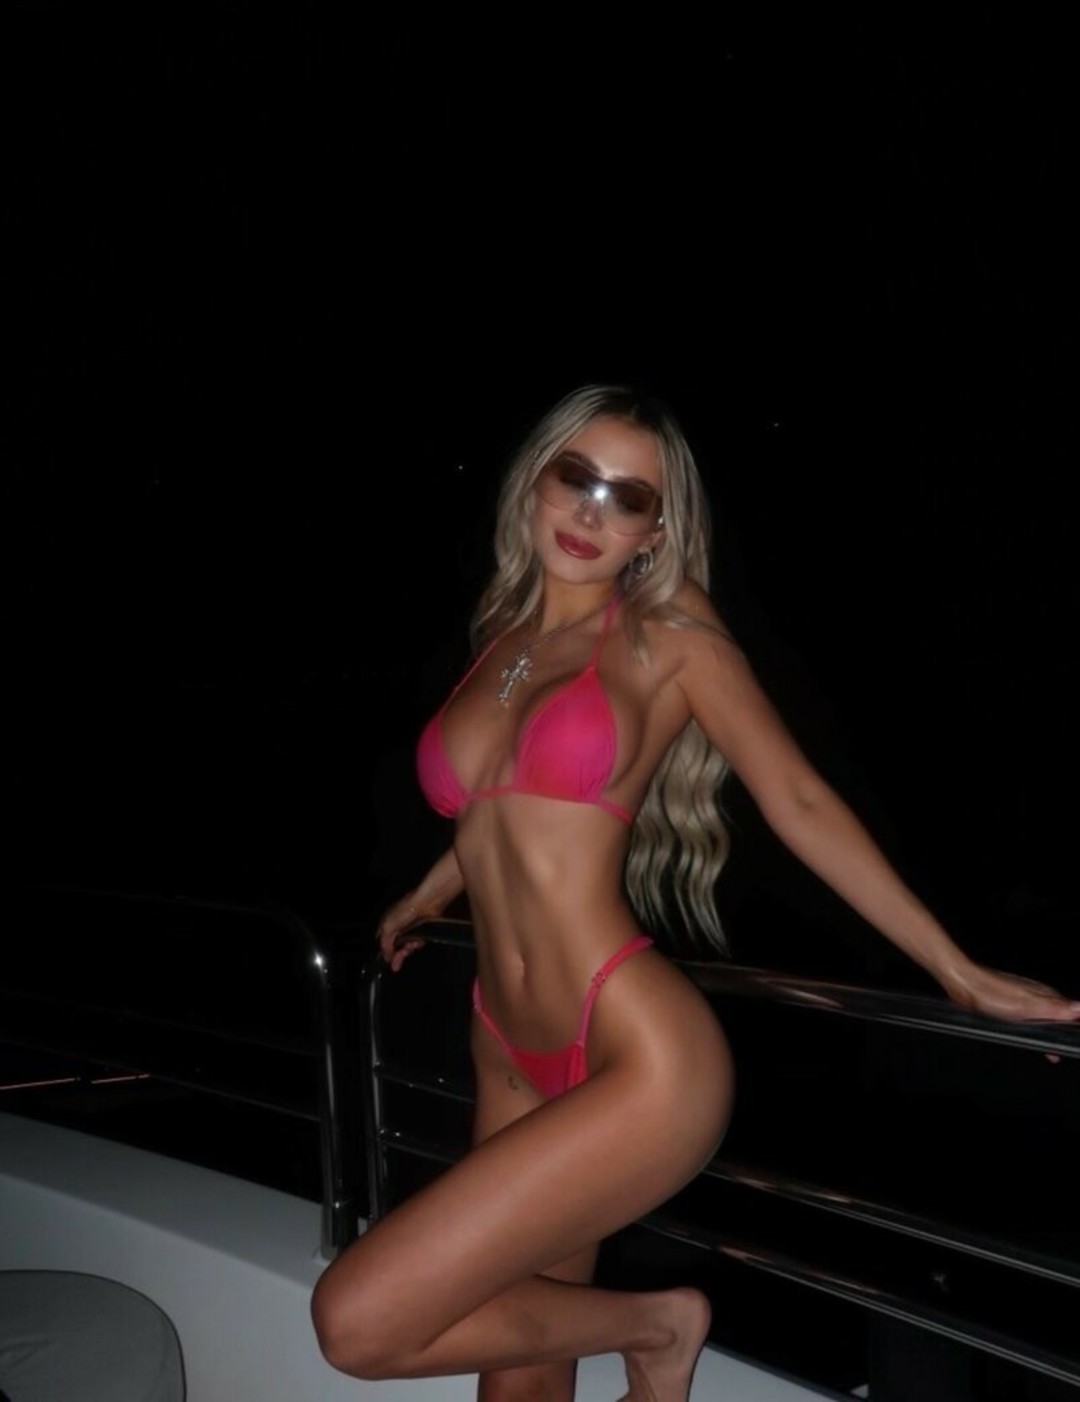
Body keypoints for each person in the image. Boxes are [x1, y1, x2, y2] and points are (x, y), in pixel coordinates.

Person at [311, 384, 1079, 1401]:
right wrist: (425, 891)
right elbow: (499, 808)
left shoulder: (668, 631)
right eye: (576, 477)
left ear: (656, 529)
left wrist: (957, 968)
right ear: (534, 480)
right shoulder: (502, 637)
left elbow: (798, 799)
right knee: (519, 1388)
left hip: (633, 1045)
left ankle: (659, 1323)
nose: (591, 512)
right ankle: (646, 1331)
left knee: (357, 1320)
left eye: (626, 497)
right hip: (505, 1042)